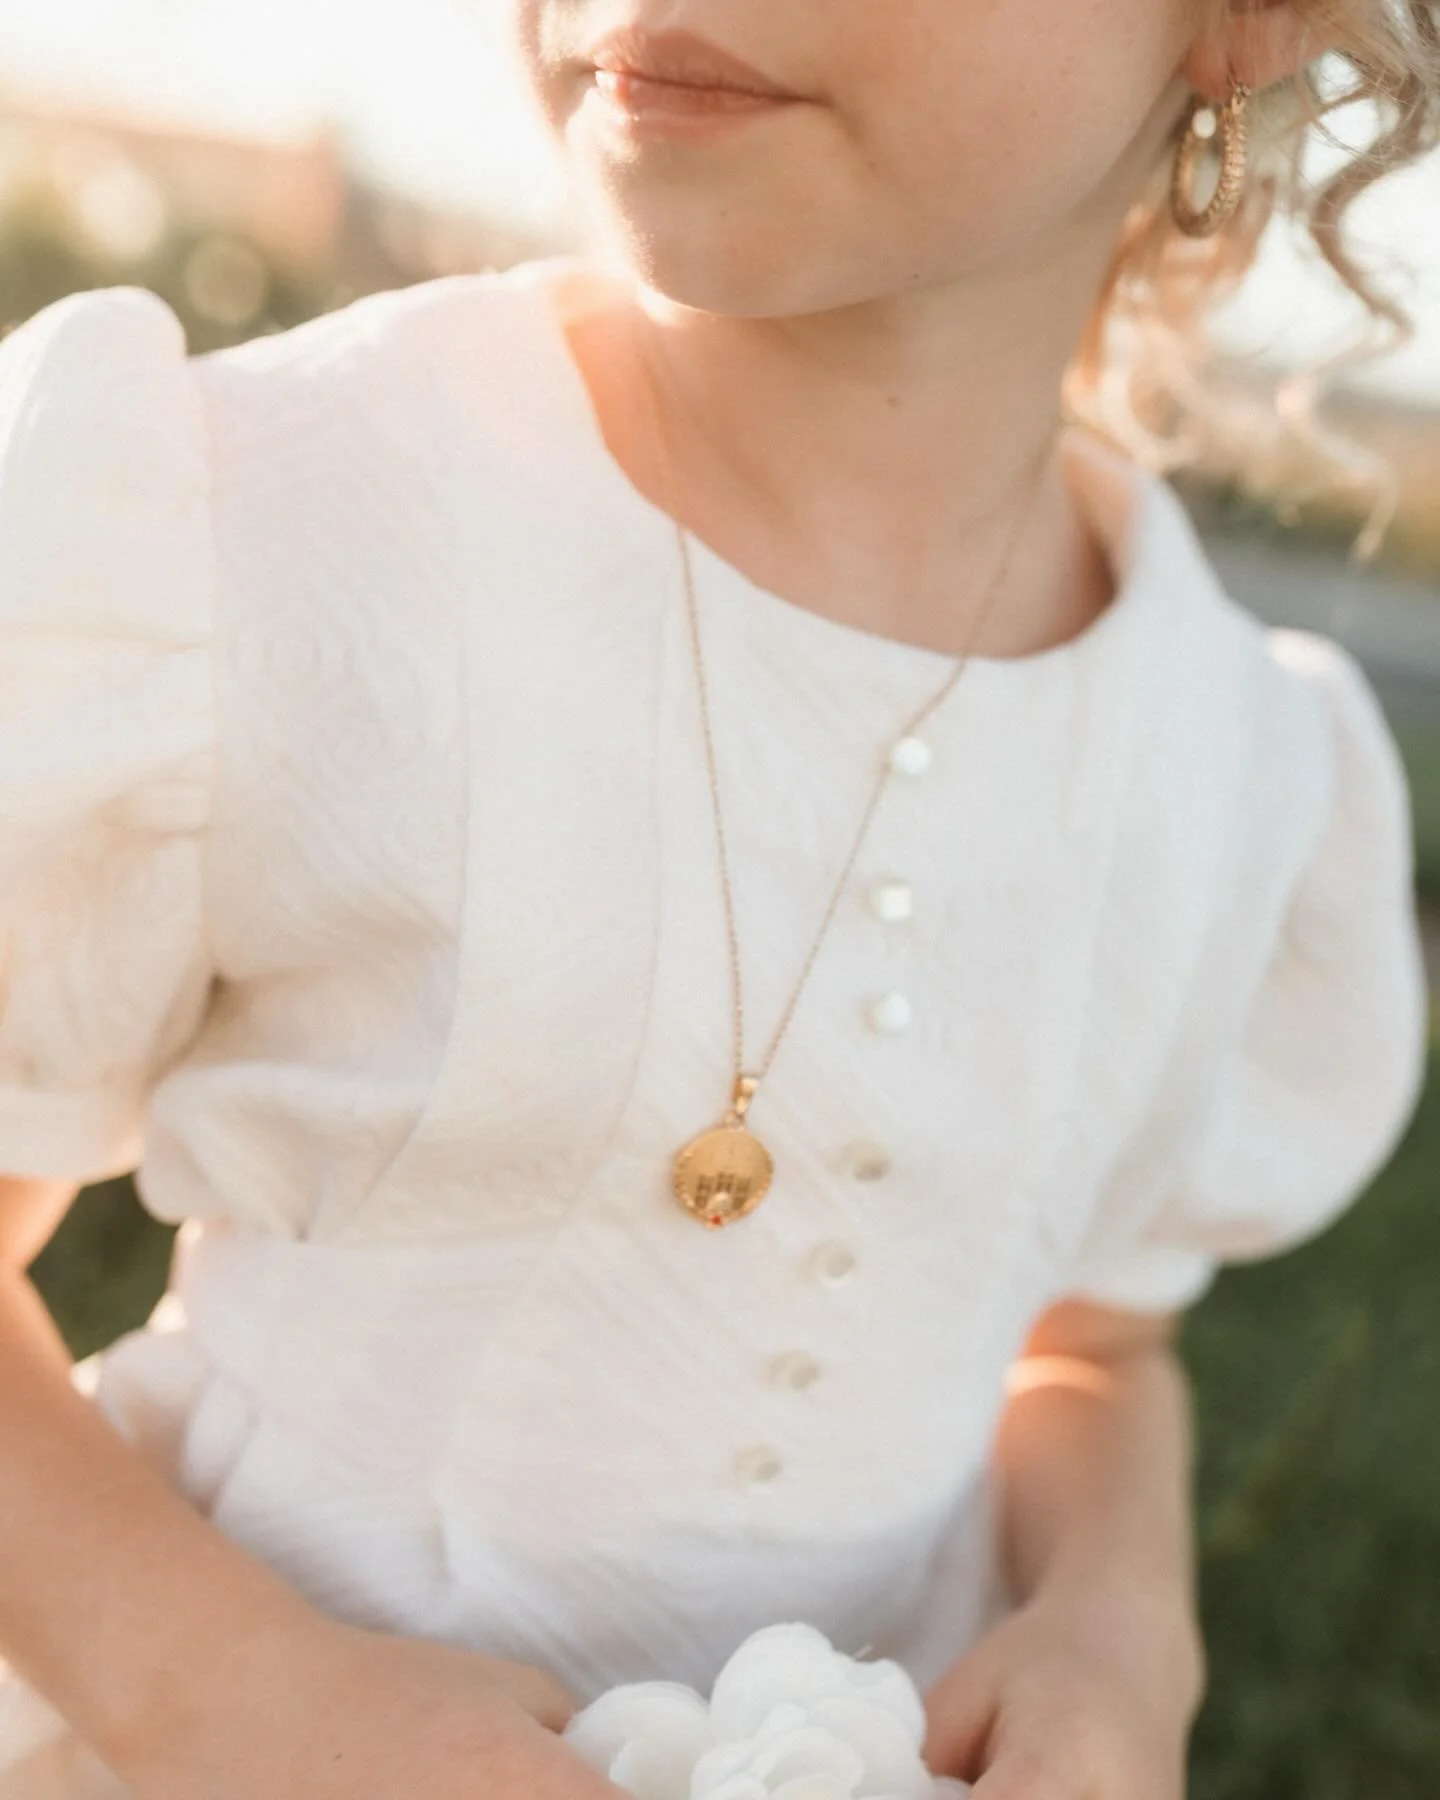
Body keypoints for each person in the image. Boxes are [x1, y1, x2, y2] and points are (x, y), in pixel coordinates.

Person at [0, 0, 1435, 1794]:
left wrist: (1119, 1621)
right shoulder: (279, 510)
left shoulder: (1231, 769)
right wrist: (216, 1692)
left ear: (1249, 21)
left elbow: (1088, 1335)